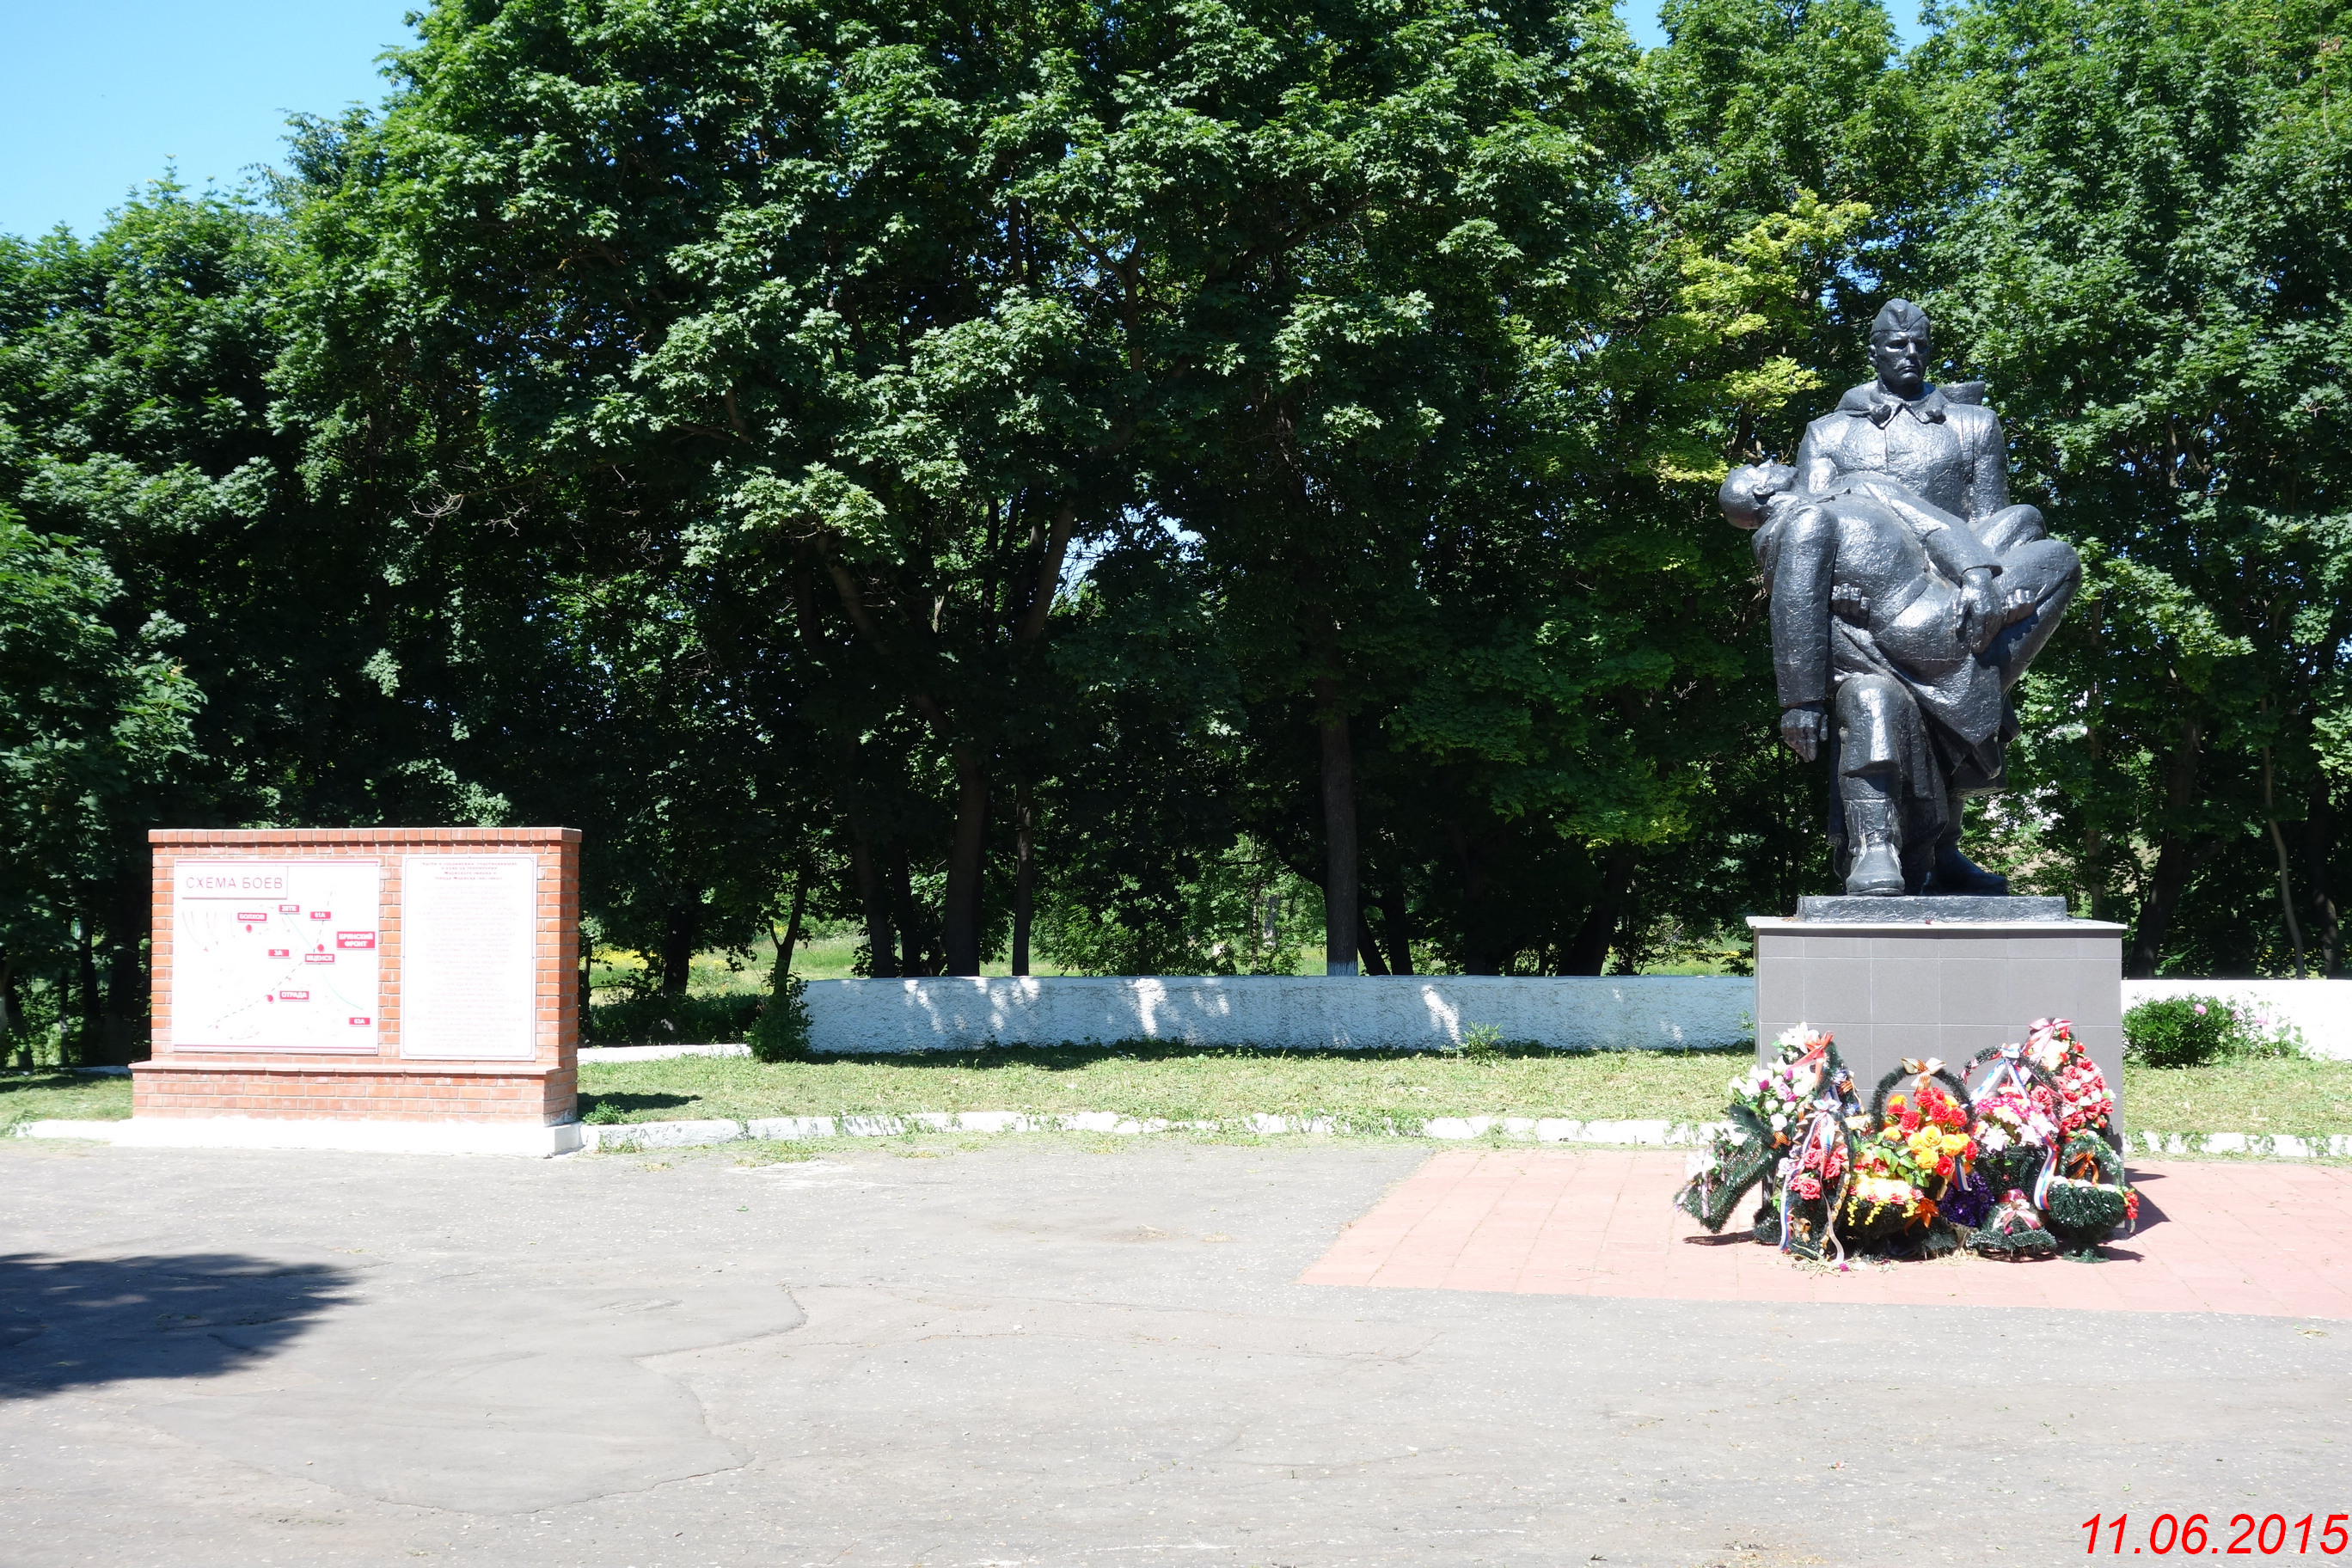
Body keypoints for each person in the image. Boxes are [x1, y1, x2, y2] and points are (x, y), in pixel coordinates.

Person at [1721, 459, 2075, 896]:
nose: (1771, 460)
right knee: (2058, 556)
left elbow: (1937, 527)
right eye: (1758, 468)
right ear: (1760, 494)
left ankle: (1991, 614)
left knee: (2025, 519)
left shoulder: (1857, 486)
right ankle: (1876, 846)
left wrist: (1978, 578)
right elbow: (1795, 609)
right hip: (1922, 628)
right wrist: (1801, 703)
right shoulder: (1801, 521)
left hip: (1945, 596)